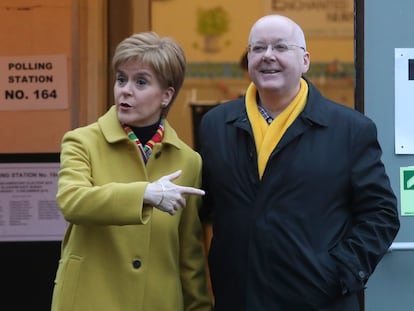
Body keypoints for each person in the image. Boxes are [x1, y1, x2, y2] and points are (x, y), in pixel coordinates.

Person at [199, 14, 400, 311]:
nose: (268, 56)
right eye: (258, 48)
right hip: (238, 299)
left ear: (305, 60)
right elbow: (206, 208)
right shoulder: (216, 125)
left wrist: (339, 273)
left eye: (280, 47)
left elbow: (381, 215)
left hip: (320, 301)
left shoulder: (349, 129)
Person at [51, 31, 212, 311]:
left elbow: (189, 255)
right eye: (121, 79)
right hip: (88, 301)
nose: (125, 90)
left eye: (140, 82)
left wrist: (198, 306)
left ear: (166, 95)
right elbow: (72, 201)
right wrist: (146, 194)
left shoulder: (188, 161)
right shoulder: (82, 141)